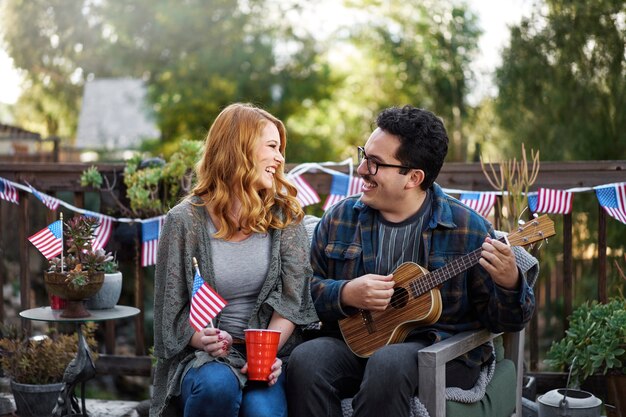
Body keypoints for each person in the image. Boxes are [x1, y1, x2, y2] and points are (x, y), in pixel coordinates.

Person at [286, 105, 536, 417]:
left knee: (388, 363)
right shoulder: (340, 218)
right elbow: (304, 293)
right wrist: (347, 293)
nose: (361, 169)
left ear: (413, 177)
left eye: (375, 163)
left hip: (438, 349)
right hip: (356, 342)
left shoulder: (468, 228)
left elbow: (505, 323)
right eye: (365, 155)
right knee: (307, 358)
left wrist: (510, 282)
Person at [150, 103, 318, 417]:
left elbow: (293, 301)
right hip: (204, 359)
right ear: (239, 149)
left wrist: (265, 355)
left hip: (264, 359)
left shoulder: (284, 217)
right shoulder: (184, 221)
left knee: (262, 412)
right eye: (272, 147)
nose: (280, 159)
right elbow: (169, 313)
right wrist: (203, 339)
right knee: (218, 386)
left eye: (280, 149)